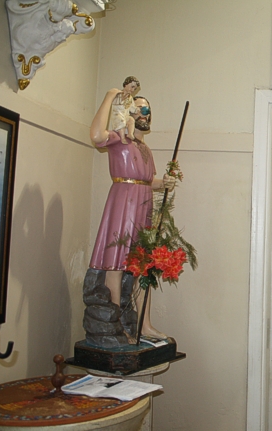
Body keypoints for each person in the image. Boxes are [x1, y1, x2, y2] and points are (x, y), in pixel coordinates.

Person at [89, 87, 175, 342]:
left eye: (147, 109)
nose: (144, 113)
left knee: (142, 265)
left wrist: (164, 183)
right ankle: (116, 324)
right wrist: (109, 96)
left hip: (142, 206)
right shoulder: (120, 138)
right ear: (128, 112)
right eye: (138, 109)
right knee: (116, 263)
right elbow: (96, 135)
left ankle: (144, 325)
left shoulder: (144, 148)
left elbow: (145, 181)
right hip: (123, 204)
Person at [108, 76, 140, 145]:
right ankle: (122, 138)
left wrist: (136, 110)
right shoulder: (118, 94)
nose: (133, 90)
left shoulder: (130, 98)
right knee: (122, 121)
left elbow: (131, 107)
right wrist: (123, 98)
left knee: (131, 120)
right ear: (126, 84)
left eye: (134, 88)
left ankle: (130, 134)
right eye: (132, 87)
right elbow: (114, 102)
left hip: (125, 115)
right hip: (117, 114)